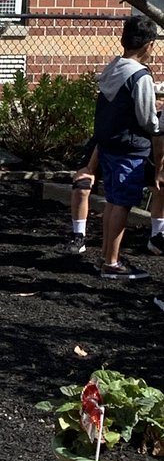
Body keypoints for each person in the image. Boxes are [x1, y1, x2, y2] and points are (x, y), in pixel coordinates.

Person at [94, 17, 164, 279]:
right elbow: (147, 119)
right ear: (148, 44)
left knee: (112, 202)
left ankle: (105, 256)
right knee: (122, 205)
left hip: (109, 144)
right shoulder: (140, 75)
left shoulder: (114, 67)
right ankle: (112, 264)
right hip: (130, 147)